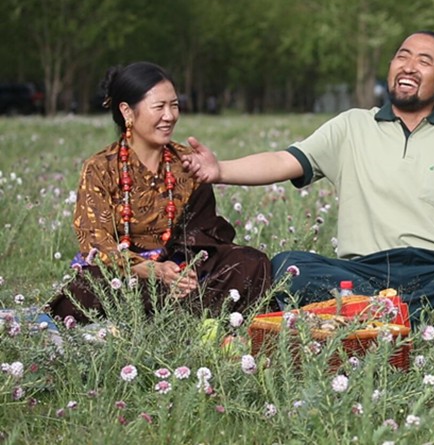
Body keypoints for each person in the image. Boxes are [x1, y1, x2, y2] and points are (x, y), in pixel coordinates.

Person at [183, 31, 434, 322]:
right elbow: (284, 160)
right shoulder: (351, 126)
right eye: (402, 56)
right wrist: (220, 170)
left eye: (424, 61)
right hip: (361, 272)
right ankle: (397, 315)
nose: (408, 66)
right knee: (289, 267)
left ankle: (366, 316)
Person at [48, 62, 272, 324]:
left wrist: (181, 270)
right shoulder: (100, 168)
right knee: (91, 287)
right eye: (159, 107)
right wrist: (151, 270)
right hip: (127, 275)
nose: (170, 116)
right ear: (127, 111)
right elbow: (95, 243)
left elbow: (204, 234)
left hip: (181, 269)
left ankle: (166, 318)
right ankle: (187, 317)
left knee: (251, 262)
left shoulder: (187, 162)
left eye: (174, 105)